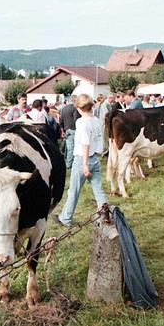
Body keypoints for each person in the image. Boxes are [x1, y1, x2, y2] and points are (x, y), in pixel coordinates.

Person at [55, 94, 109, 227]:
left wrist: (84, 164)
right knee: (98, 189)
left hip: (82, 159)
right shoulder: (96, 121)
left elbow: (85, 143)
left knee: (74, 190)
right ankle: (105, 210)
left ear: (79, 107)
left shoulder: (81, 122)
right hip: (95, 158)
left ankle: (66, 218)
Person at [60, 99, 82, 169]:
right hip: (74, 129)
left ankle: (69, 164)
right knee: (77, 148)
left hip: (66, 129)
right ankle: (75, 163)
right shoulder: (75, 108)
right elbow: (76, 119)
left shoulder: (63, 109)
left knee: (70, 148)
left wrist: (62, 130)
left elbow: (61, 120)